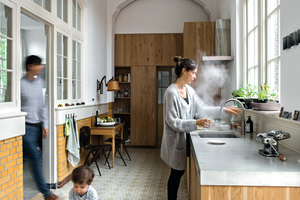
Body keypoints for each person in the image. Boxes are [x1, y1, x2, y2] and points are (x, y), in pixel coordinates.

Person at [160, 56, 241, 200]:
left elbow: (203, 108)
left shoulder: (189, 91)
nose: (195, 76)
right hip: (175, 142)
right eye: (193, 73)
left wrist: (223, 109)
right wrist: (196, 123)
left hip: (184, 139)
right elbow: (172, 122)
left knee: (178, 174)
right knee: (176, 175)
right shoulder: (171, 93)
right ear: (184, 71)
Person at [21, 55, 59, 200]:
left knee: (26, 158)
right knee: (36, 158)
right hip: (25, 127)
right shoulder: (20, 84)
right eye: (38, 65)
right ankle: (47, 193)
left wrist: (45, 125)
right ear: (30, 66)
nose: (41, 67)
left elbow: (43, 107)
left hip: (37, 127)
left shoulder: (39, 83)